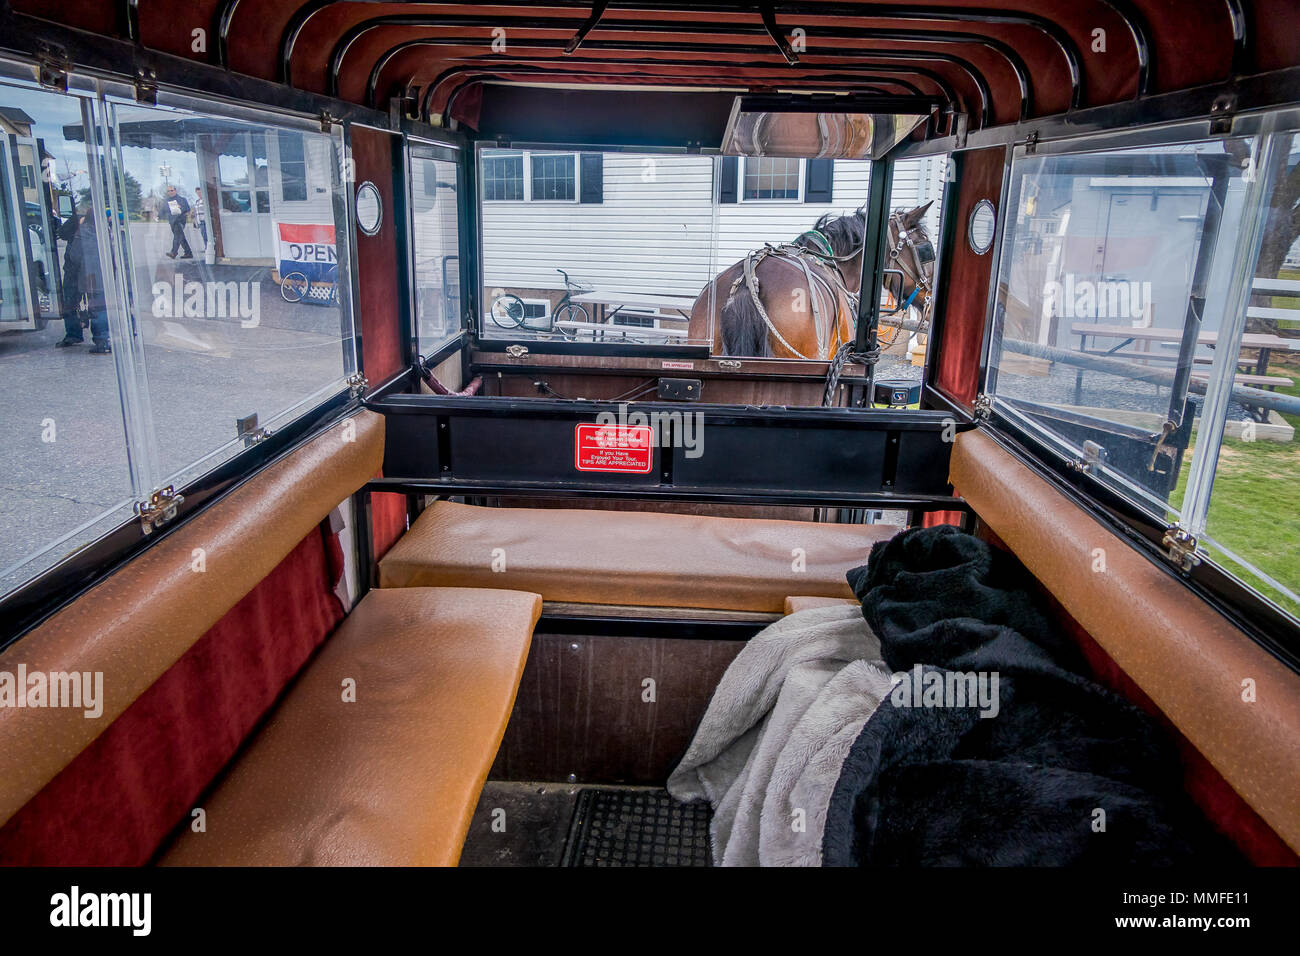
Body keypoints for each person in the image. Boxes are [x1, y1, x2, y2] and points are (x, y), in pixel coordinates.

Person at [53, 204, 110, 353]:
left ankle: (73, 334)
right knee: (98, 306)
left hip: (76, 274)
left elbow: (75, 255)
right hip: (97, 275)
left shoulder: (81, 232)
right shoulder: (105, 233)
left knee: (70, 304)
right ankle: (102, 339)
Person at [164, 185, 192, 259]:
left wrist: (180, 208)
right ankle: (188, 253)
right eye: (168, 191)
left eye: (172, 190)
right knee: (181, 237)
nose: (170, 192)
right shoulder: (167, 201)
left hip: (180, 221)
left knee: (177, 236)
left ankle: (173, 252)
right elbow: (163, 210)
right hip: (172, 222)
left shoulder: (182, 199)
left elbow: (187, 210)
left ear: (175, 191)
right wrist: (157, 216)